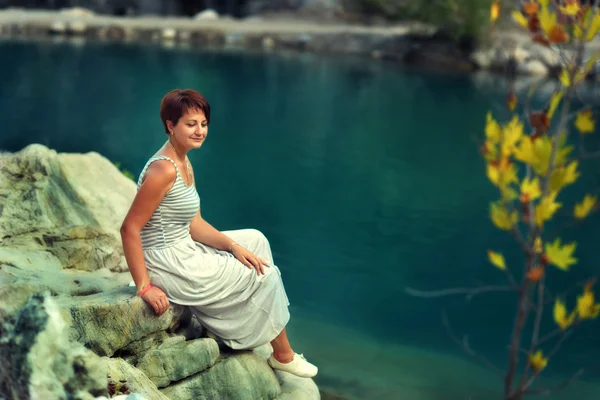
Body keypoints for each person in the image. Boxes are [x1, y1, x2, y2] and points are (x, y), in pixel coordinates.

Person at [120, 88, 317, 379]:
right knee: (266, 274)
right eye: (190, 124)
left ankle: (231, 321)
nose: (199, 131)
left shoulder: (183, 161)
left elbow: (194, 223)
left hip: (183, 244)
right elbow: (129, 229)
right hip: (170, 262)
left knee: (255, 240)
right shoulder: (163, 170)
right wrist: (145, 286)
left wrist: (233, 246)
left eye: (203, 124)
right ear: (170, 125)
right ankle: (282, 355)